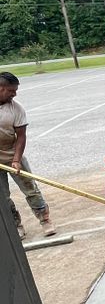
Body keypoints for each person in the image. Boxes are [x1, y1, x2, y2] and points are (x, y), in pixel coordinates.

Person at [0, 71, 56, 239]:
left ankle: (45, 220)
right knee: (3, 197)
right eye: (11, 90)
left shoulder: (16, 109)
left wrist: (16, 160)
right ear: (1, 88)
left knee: (30, 189)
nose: (15, 94)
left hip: (12, 154)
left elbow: (21, 137)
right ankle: (16, 225)